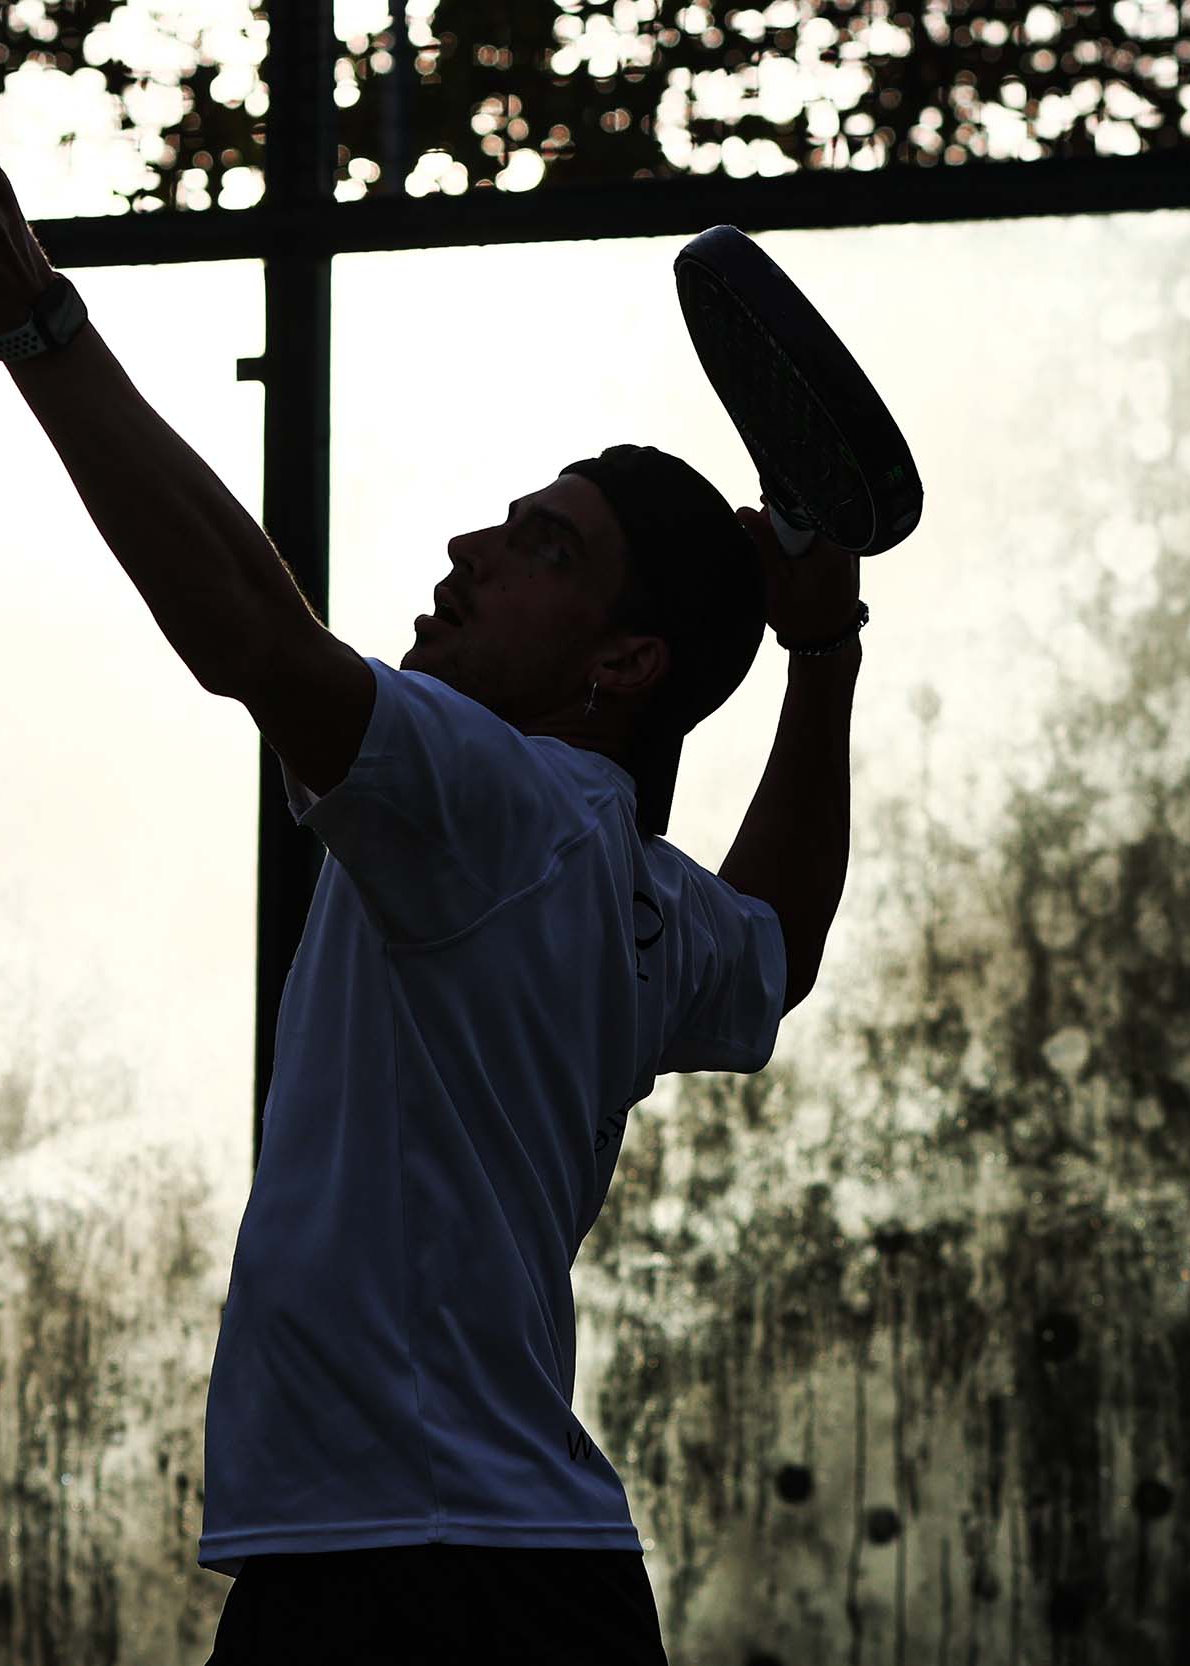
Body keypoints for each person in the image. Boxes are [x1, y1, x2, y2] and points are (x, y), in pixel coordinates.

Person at [198, 447, 865, 1664]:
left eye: (544, 548)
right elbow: (784, 938)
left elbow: (250, 630)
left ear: (624, 663)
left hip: (419, 1572)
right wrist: (822, 650)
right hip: (498, 1564)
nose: (472, 554)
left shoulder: (497, 803)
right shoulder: (625, 881)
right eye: (503, 528)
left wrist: (44, 347)